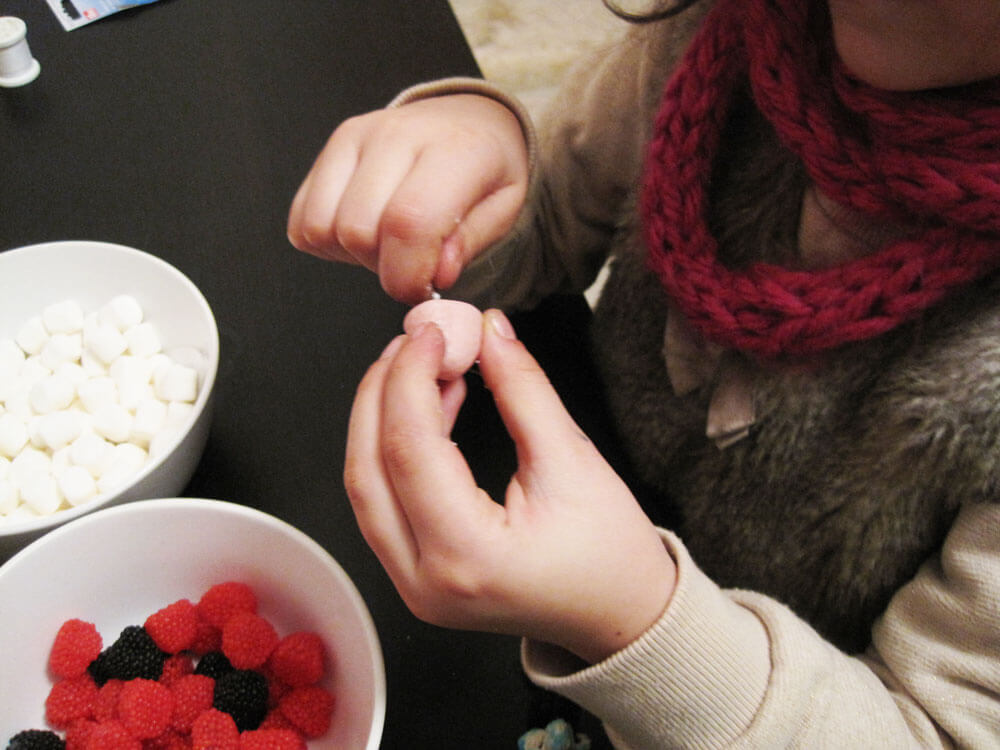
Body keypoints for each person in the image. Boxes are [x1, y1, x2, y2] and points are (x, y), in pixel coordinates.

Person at [287, 0, 1000, 746]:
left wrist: (637, 623)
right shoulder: (715, 32)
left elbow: (937, 728)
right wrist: (484, 163)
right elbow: (551, 218)